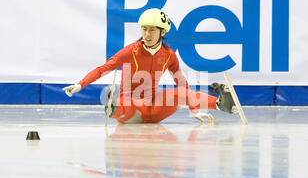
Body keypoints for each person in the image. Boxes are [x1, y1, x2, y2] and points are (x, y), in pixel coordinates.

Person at [63, 8, 236, 124]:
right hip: (130, 104)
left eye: (152, 30)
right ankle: (115, 107)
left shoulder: (168, 55)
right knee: (127, 102)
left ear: (162, 32)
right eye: (144, 29)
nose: (147, 34)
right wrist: (80, 84)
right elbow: (103, 69)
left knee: (179, 93)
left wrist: (195, 110)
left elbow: (182, 84)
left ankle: (221, 104)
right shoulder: (130, 51)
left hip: (154, 107)